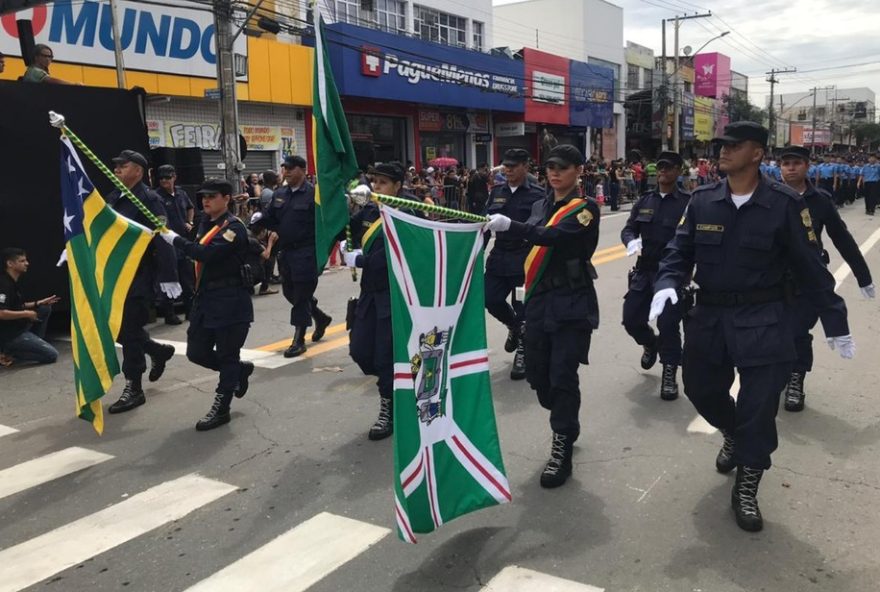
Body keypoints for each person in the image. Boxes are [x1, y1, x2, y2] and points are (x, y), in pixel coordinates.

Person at [650, 122, 854, 532]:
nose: (722, 152)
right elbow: (679, 250)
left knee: (759, 409)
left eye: (733, 146)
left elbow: (810, 266)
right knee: (701, 390)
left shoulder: (783, 204)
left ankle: (747, 481)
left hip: (765, 319)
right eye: (721, 146)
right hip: (708, 318)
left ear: (757, 154)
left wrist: (835, 320)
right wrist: (667, 283)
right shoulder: (704, 200)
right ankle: (731, 433)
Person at [485, 145, 600, 489]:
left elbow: (551, 237)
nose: (555, 173)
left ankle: (561, 444)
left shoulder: (585, 209)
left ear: (578, 170)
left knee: (563, 374)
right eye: (550, 166)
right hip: (537, 300)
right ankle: (564, 417)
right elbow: (528, 242)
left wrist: (513, 227)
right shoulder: (538, 205)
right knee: (538, 376)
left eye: (563, 167)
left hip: (570, 302)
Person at [778, 145, 874, 412]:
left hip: (807, 278)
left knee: (798, 330)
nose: (791, 168)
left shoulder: (819, 200)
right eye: (786, 164)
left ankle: (796, 379)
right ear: (780, 168)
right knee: (772, 331)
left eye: (797, 163)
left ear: (807, 166)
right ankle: (777, 374)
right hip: (771, 277)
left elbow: (841, 238)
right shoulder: (768, 196)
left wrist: (862, 275)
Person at [160, 179, 254, 431]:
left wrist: (175, 240)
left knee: (227, 354)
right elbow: (194, 249)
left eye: (212, 196)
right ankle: (238, 371)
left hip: (230, 300)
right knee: (196, 352)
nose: (205, 201)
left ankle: (221, 408)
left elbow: (206, 254)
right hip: (206, 299)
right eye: (203, 196)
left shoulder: (233, 228)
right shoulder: (204, 223)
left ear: (227, 198)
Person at [342, 162, 419, 440]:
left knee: (386, 356)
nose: (376, 187)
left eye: (383, 183)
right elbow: (347, 227)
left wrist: (359, 259)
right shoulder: (371, 209)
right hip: (369, 293)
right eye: (374, 182)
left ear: (398, 186)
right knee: (360, 351)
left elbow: (393, 257)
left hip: (395, 295)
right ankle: (401, 385)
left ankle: (389, 406)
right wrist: (338, 204)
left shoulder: (409, 212)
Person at [105, 150, 180, 414]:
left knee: (130, 332)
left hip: (138, 275)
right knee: (122, 331)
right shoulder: (115, 197)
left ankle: (133, 387)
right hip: (115, 276)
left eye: (121, 166)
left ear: (137, 170)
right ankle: (158, 351)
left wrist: (170, 276)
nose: (116, 170)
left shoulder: (149, 200)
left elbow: (163, 237)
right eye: (115, 166)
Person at [620, 151, 691, 400]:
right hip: (645, 269)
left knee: (669, 324)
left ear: (679, 171)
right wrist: (630, 241)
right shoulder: (644, 201)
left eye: (669, 168)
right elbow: (629, 228)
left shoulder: (688, 203)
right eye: (660, 167)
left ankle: (670, 371)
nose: (663, 172)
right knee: (631, 319)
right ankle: (650, 343)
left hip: (672, 273)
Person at [484, 149, 546, 380]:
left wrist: (510, 225)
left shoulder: (538, 194)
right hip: (499, 257)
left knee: (523, 309)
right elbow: (485, 224)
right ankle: (514, 327)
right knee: (489, 298)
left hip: (523, 257)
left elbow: (534, 223)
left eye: (513, 166)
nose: (508, 170)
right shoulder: (496, 192)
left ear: (525, 167)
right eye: (505, 166)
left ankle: (523, 350)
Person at [263, 155, 332, 358]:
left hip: (306, 252)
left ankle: (299, 340)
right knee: (289, 292)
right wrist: (256, 224)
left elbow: (325, 223)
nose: (287, 172)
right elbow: (270, 217)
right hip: (286, 252)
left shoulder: (314, 195)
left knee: (301, 297)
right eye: (284, 168)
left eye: (291, 168)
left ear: (303, 169)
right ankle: (320, 317)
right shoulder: (280, 193)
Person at [0, 248, 60, 365]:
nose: (26, 263)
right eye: (22, 261)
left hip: (20, 327)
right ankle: (10, 353)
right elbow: (1, 313)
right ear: (10, 264)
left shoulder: (13, 281)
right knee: (52, 355)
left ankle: (34, 342)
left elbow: (18, 306)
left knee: (44, 308)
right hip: (11, 334)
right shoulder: (3, 284)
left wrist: (39, 302)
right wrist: (27, 313)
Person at [155, 164, 195, 325]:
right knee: (169, 277)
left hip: (182, 240)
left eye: (167, 177)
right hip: (166, 243)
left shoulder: (181, 193)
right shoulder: (156, 196)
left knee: (187, 278)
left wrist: (189, 221)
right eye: (162, 178)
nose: (165, 181)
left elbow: (191, 207)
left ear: (174, 177)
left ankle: (190, 311)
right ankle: (169, 314)